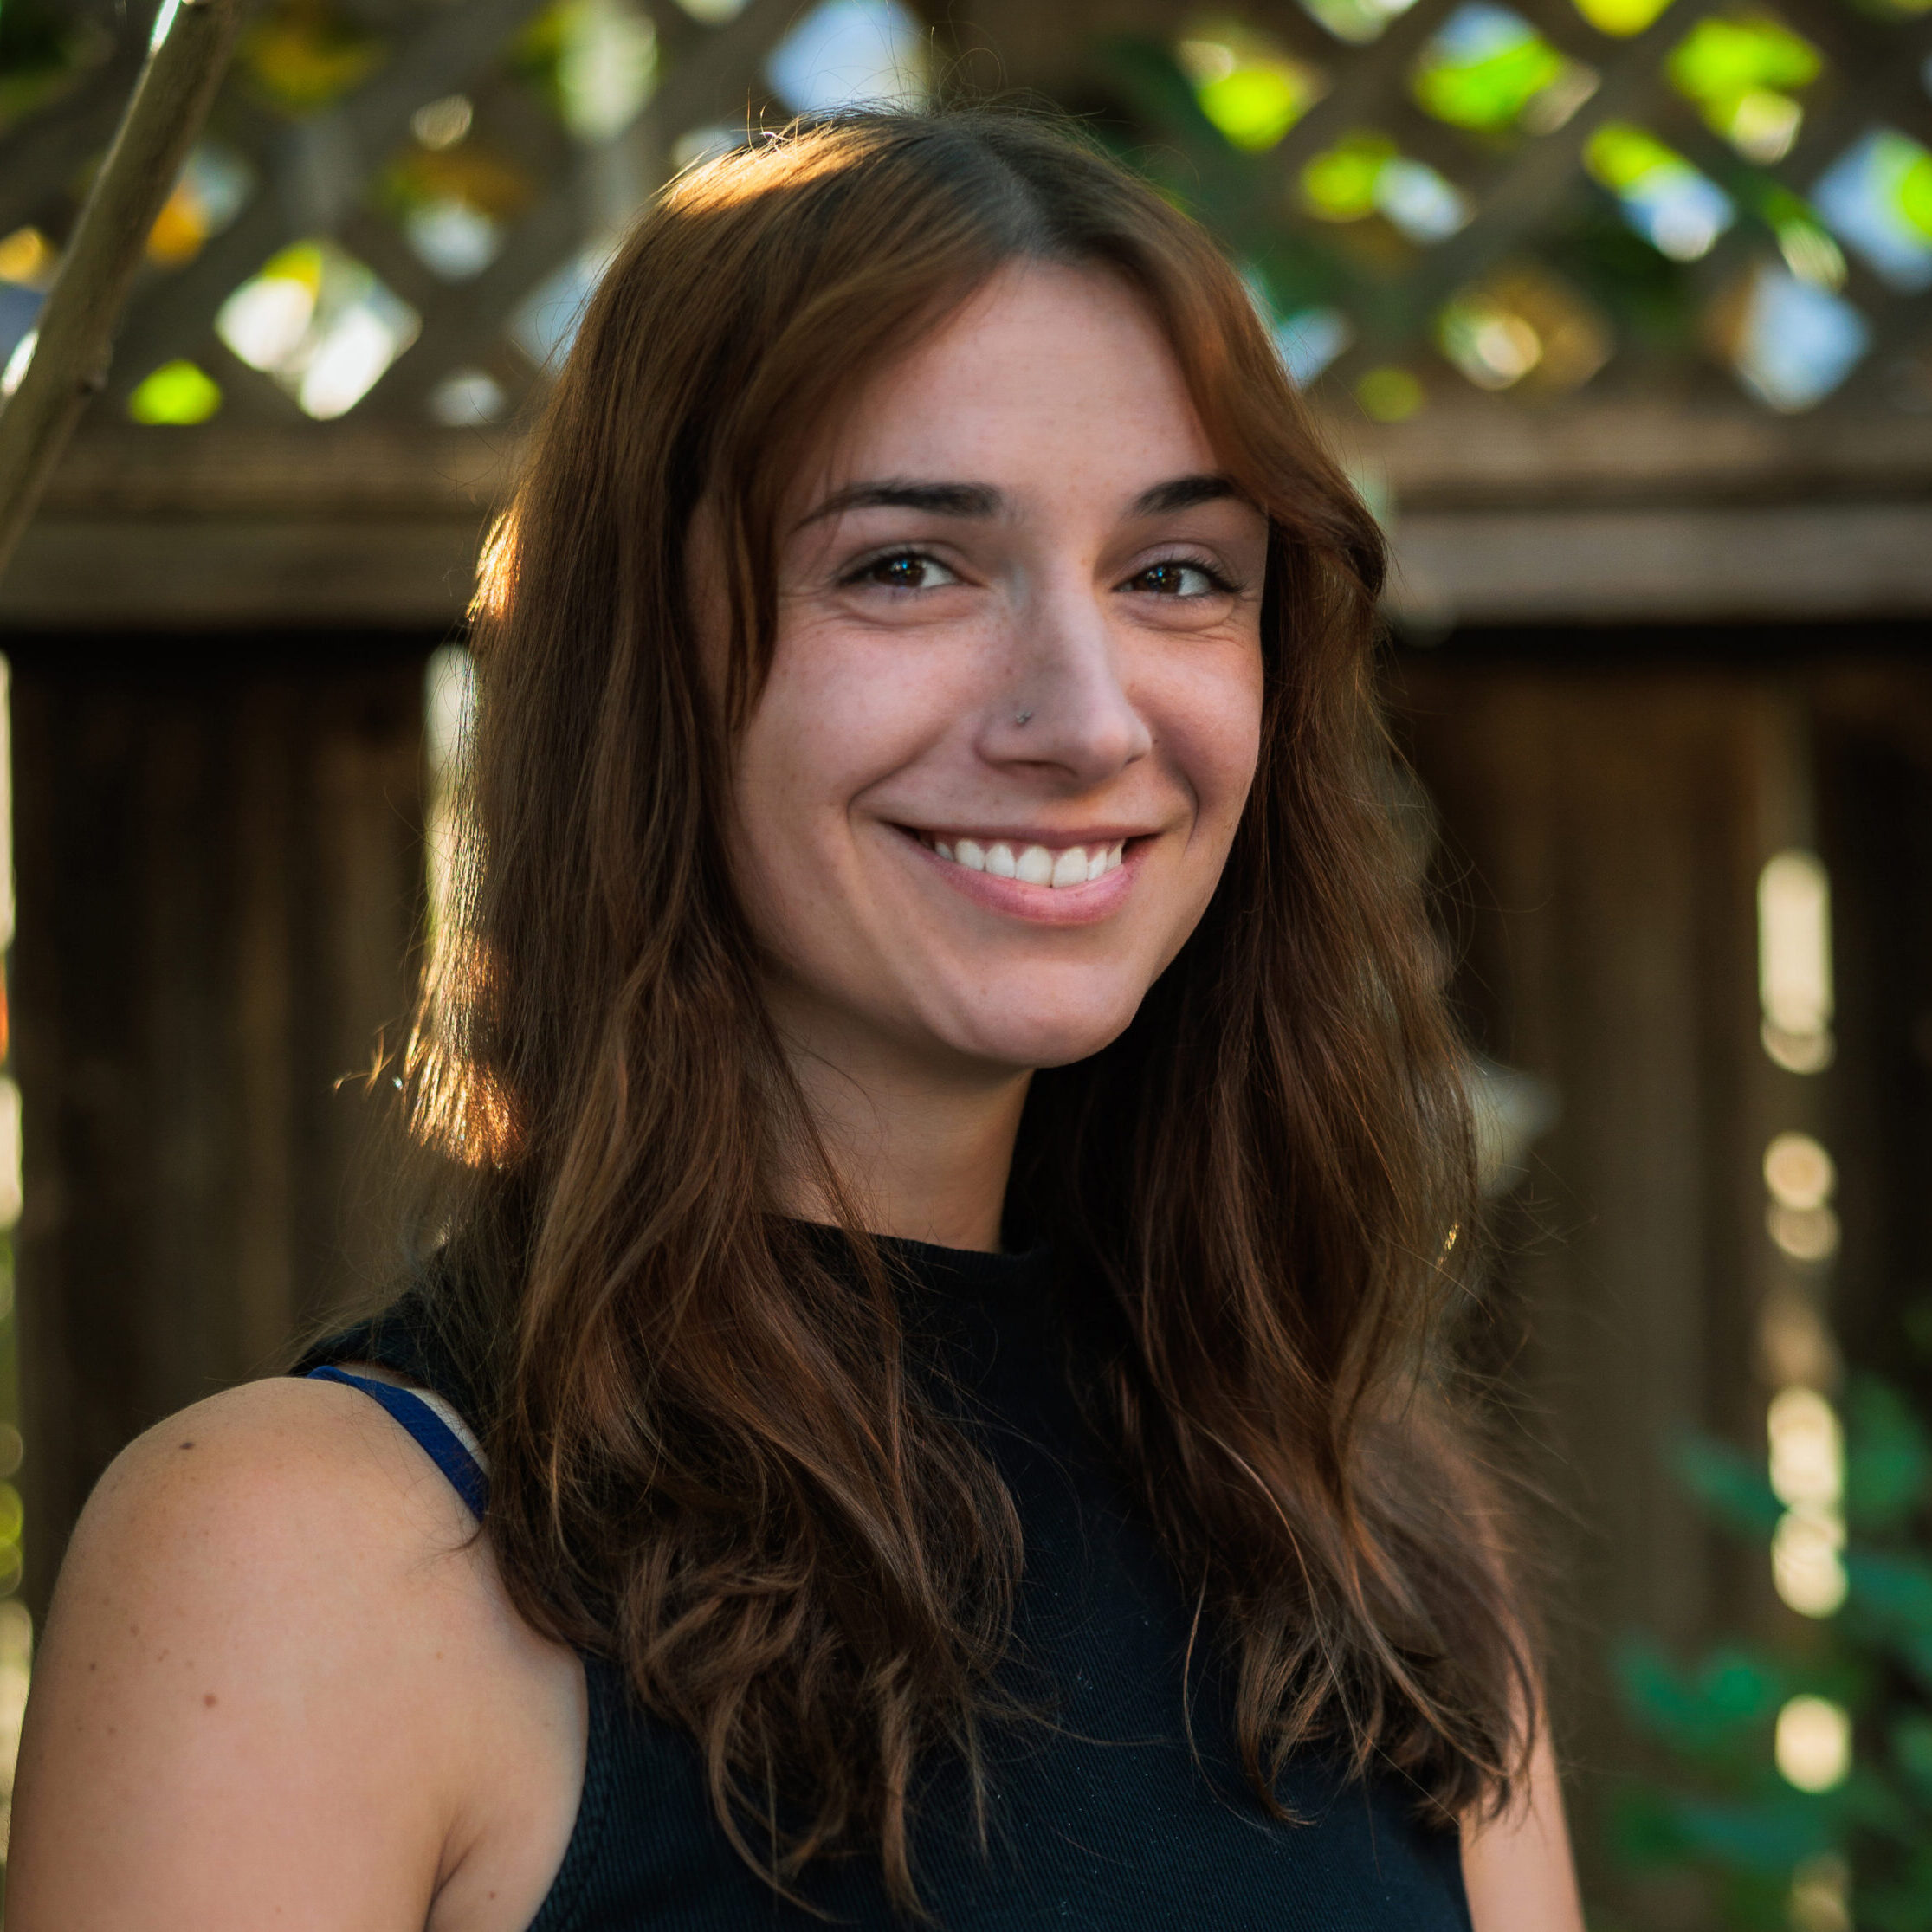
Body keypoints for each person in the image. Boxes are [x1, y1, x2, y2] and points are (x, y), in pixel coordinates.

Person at [8, 111, 1584, 1930]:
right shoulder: (306, 1566)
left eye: (1177, 575)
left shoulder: (1373, 1547)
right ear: (643, 660)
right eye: (907, 564)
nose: (1083, 718)